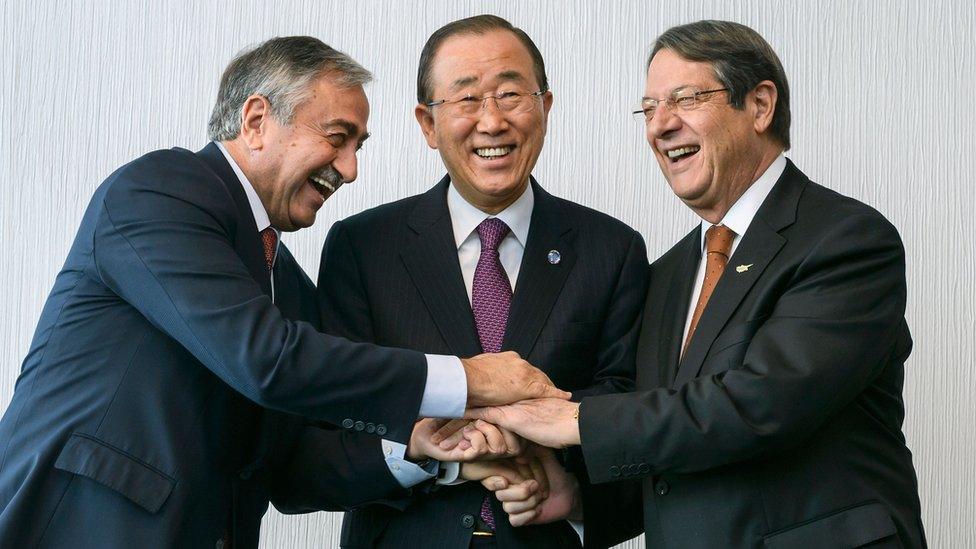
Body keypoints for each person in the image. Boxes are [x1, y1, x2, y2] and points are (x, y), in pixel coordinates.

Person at [0, 36, 567, 548]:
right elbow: (267, 360)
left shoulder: (286, 283)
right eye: (338, 138)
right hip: (78, 524)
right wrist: (470, 378)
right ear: (255, 120)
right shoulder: (160, 191)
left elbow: (291, 473)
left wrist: (420, 447)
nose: (349, 170)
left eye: (358, 148)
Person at [469, 20, 927, 548]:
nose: (659, 126)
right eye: (648, 108)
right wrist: (579, 499)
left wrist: (576, 419)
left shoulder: (846, 239)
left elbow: (759, 405)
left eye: (685, 99)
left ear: (759, 105)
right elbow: (671, 445)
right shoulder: (665, 275)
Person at [312, 15, 648, 549]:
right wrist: (431, 452)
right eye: (466, 100)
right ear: (427, 124)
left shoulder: (613, 248)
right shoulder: (362, 247)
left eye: (511, 94)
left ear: (545, 107)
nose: (492, 122)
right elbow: (330, 426)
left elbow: (628, 406)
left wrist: (555, 471)